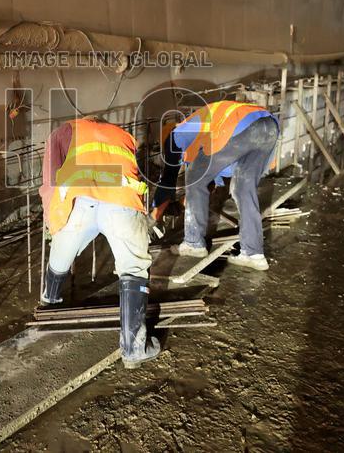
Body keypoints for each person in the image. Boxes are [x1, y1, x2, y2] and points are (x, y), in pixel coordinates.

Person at [38, 116, 160, 369]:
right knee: (133, 268)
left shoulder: (63, 131)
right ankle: (134, 349)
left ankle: (49, 304)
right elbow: (133, 173)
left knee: (61, 251)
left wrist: (53, 222)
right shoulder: (121, 135)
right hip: (120, 195)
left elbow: (50, 181)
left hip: (79, 198)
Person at [151, 101, 279, 271]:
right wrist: (185, 201)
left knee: (194, 177)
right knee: (242, 189)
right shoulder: (200, 133)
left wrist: (155, 215)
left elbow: (169, 180)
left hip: (241, 127)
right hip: (268, 126)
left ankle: (194, 242)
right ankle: (254, 253)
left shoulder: (176, 136)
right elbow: (209, 184)